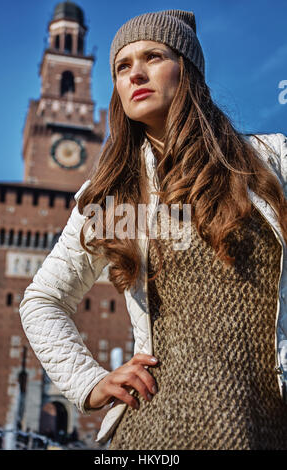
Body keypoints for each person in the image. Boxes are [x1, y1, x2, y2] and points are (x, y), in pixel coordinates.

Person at [19, 9, 287, 450]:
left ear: (189, 70)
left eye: (153, 56)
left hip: (266, 428)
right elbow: (41, 300)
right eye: (122, 66)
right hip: (154, 433)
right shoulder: (112, 195)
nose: (135, 73)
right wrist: (90, 381)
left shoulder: (269, 161)